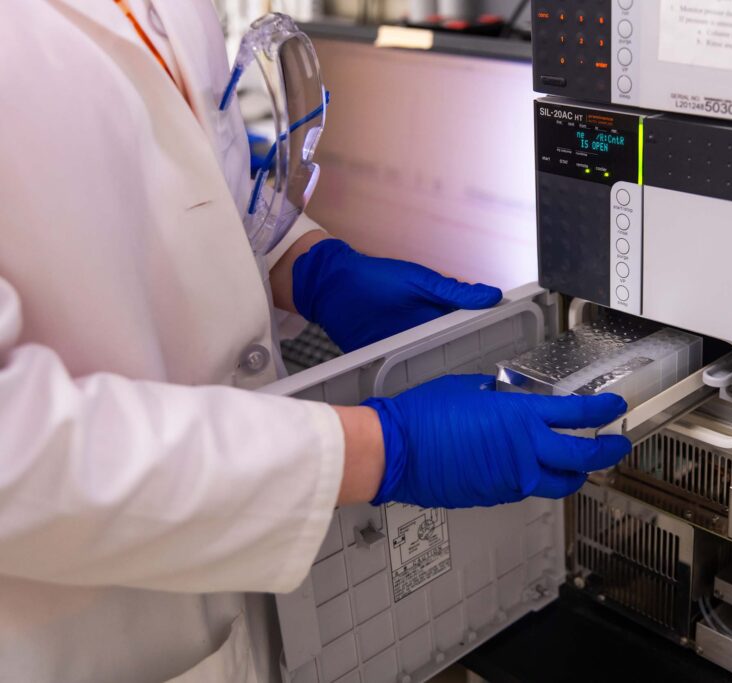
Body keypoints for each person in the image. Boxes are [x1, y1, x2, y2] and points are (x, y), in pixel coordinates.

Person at [0, 2, 632, 681]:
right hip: (86, 638)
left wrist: (306, 266)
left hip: (255, 617)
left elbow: (200, 186)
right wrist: (384, 449)